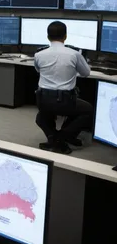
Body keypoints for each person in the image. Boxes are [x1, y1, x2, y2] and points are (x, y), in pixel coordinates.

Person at [34, 21, 94, 155]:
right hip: (66, 101)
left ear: (48, 37)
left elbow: (38, 70)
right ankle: (62, 137)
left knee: (41, 117)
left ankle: (53, 137)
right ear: (65, 36)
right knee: (88, 110)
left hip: (43, 100)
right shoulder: (74, 54)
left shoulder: (39, 55)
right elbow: (86, 73)